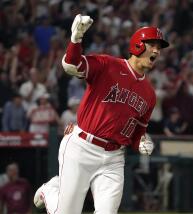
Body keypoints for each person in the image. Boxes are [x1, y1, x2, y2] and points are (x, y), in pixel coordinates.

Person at [33, 14, 169, 214]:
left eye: (159, 47)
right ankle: (50, 190)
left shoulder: (149, 94)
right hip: (82, 147)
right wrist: (76, 39)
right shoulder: (109, 65)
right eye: (153, 44)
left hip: (114, 158)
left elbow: (137, 132)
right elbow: (71, 66)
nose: (157, 50)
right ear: (138, 45)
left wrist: (140, 141)